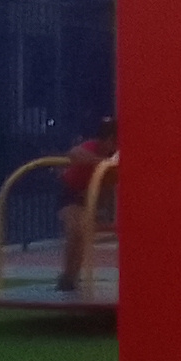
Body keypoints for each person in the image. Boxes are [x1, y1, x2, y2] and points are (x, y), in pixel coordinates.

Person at [57, 117, 116, 292]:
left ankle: (72, 276)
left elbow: (108, 186)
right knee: (75, 229)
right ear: (109, 140)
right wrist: (102, 162)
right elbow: (74, 153)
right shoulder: (92, 147)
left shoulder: (114, 155)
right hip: (70, 194)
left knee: (82, 233)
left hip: (89, 198)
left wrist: (105, 207)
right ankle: (68, 276)